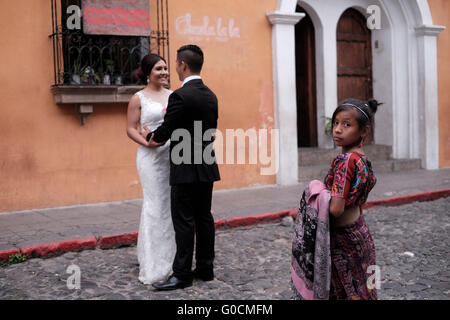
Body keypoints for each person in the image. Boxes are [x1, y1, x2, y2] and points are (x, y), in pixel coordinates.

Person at [144, 44, 221, 291]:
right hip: (206, 165)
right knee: (204, 218)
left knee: (185, 221)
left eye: (176, 64)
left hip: (185, 167)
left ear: (183, 65)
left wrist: (149, 136)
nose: (174, 68)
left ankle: (182, 274)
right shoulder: (211, 95)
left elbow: (164, 133)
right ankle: (206, 269)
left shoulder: (180, 96)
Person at [126, 53, 176, 285]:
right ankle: (154, 263)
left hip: (171, 157)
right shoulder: (138, 98)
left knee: (169, 207)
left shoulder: (174, 96)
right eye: (159, 68)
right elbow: (130, 128)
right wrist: (147, 143)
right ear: (148, 73)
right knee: (155, 205)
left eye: (165, 68)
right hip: (150, 158)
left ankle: (171, 259)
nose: (164, 72)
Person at [324, 98, 380, 300]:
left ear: (363, 131)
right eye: (336, 123)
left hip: (343, 239)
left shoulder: (344, 161)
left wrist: (315, 196)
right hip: (360, 232)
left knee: (348, 291)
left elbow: (336, 209)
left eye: (347, 125)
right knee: (364, 288)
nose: (338, 130)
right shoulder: (362, 158)